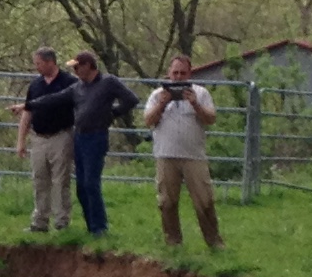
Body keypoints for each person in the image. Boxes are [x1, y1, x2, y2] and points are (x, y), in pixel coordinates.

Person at [145, 55, 223, 251]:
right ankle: (173, 243)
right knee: (167, 202)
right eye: (175, 73)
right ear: (168, 74)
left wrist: (195, 104)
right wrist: (162, 104)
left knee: (204, 201)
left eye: (183, 73)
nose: (178, 77)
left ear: (190, 73)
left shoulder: (201, 93)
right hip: (166, 155)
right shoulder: (157, 95)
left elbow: (211, 119)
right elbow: (148, 120)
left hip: (194, 156)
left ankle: (214, 243)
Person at [66, 50, 136, 234]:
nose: (74, 70)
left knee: (90, 182)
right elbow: (56, 98)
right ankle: (91, 225)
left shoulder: (108, 82)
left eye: (76, 66)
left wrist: (113, 113)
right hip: (79, 137)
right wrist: (29, 105)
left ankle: (100, 226)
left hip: (96, 137)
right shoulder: (77, 87)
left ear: (88, 65)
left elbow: (131, 99)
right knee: (81, 185)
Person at [16, 46, 75, 232]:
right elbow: (27, 112)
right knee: (40, 179)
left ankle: (61, 221)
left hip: (61, 136)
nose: (37, 67)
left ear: (51, 62)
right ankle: (40, 221)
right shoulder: (35, 86)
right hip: (39, 138)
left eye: (39, 63)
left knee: (61, 179)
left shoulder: (69, 82)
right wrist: (21, 140)